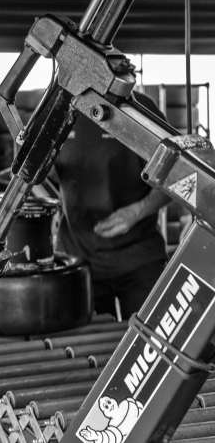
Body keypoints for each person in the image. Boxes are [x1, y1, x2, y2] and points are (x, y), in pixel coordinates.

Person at [54, 91, 170, 318]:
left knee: (149, 348)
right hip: (78, 260)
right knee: (87, 349)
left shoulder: (141, 110)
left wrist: (137, 212)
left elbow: (174, 178)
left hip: (139, 257)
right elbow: (36, 177)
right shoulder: (58, 109)